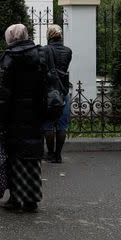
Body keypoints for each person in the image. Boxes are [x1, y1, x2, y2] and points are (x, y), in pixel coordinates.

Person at [0, 23, 45, 213]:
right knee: (32, 156)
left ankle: (16, 199)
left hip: (15, 115)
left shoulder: (10, 57)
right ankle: (32, 199)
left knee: (15, 156)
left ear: (10, 38)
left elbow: (4, 94)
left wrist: (0, 120)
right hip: (35, 113)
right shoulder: (38, 55)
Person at [41, 25, 73, 164]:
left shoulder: (44, 50)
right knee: (62, 124)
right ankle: (58, 156)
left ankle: (50, 153)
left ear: (49, 36)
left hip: (48, 92)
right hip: (63, 90)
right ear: (61, 36)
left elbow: (42, 68)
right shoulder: (68, 51)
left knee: (47, 123)